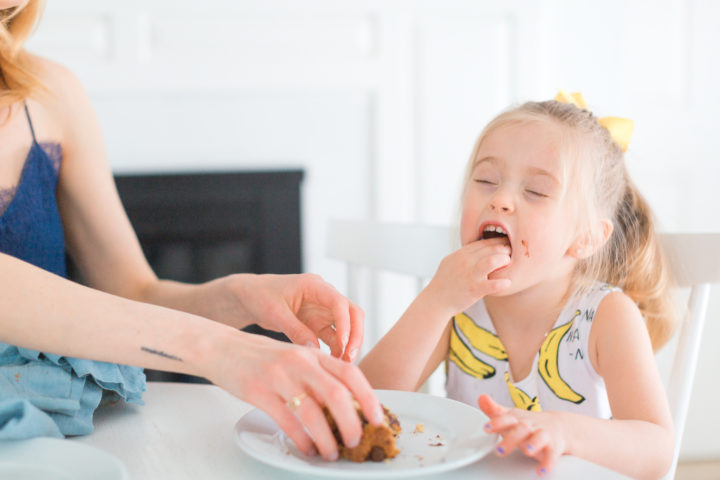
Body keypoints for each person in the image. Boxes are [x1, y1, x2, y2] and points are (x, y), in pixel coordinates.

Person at [0, 0, 383, 462]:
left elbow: (132, 291)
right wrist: (220, 350)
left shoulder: (51, 93)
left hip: (51, 444)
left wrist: (239, 297)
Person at [359, 91, 678, 478]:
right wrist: (436, 301)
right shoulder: (457, 305)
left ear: (587, 237)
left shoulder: (607, 317)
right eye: (486, 180)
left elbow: (657, 449)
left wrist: (566, 431)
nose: (502, 199)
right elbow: (365, 403)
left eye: (535, 191)